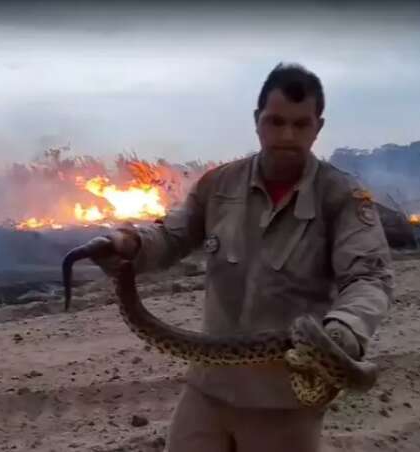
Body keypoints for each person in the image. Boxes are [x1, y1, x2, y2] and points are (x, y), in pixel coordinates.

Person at [96, 62, 394, 452]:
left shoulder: (341, 197)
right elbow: (171, 236)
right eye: (276, 122)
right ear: (257, 121)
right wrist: (130, 244)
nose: (287, 136)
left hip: (284, 404)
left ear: (318, 127)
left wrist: (343, 331)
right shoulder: (218, 185)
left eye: (301, 125)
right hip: (208, 390)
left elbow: (369, 279)